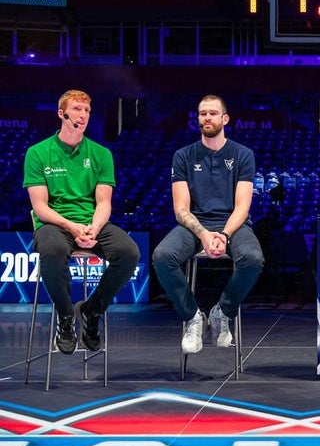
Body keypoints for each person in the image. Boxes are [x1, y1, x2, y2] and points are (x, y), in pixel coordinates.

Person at [22, 89, 140, 354]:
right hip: (54, 223)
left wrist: (93, 228)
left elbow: (104, 203)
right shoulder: (38, 153)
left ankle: (92, 310)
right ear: (62, 114)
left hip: (91, 222)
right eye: (77, 109)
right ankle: (65, 319)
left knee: (128, 252)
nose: (83, 114)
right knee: (52, 250)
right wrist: (72, 227)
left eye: (87, 110)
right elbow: (40, 207)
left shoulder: (101, 154)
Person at [152, 95, 264, 354]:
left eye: (213, 113)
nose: (207, 118)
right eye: (203, 113)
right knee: (162, 256)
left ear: (225, 119)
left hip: (233, 225)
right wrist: (203, 234)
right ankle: (193, 316)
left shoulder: (242, 154)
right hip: (194, 226)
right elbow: (180, 209)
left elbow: (242, 206)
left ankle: (222, 311)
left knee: (252, 259)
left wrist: (223, 234)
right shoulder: (183, 156)